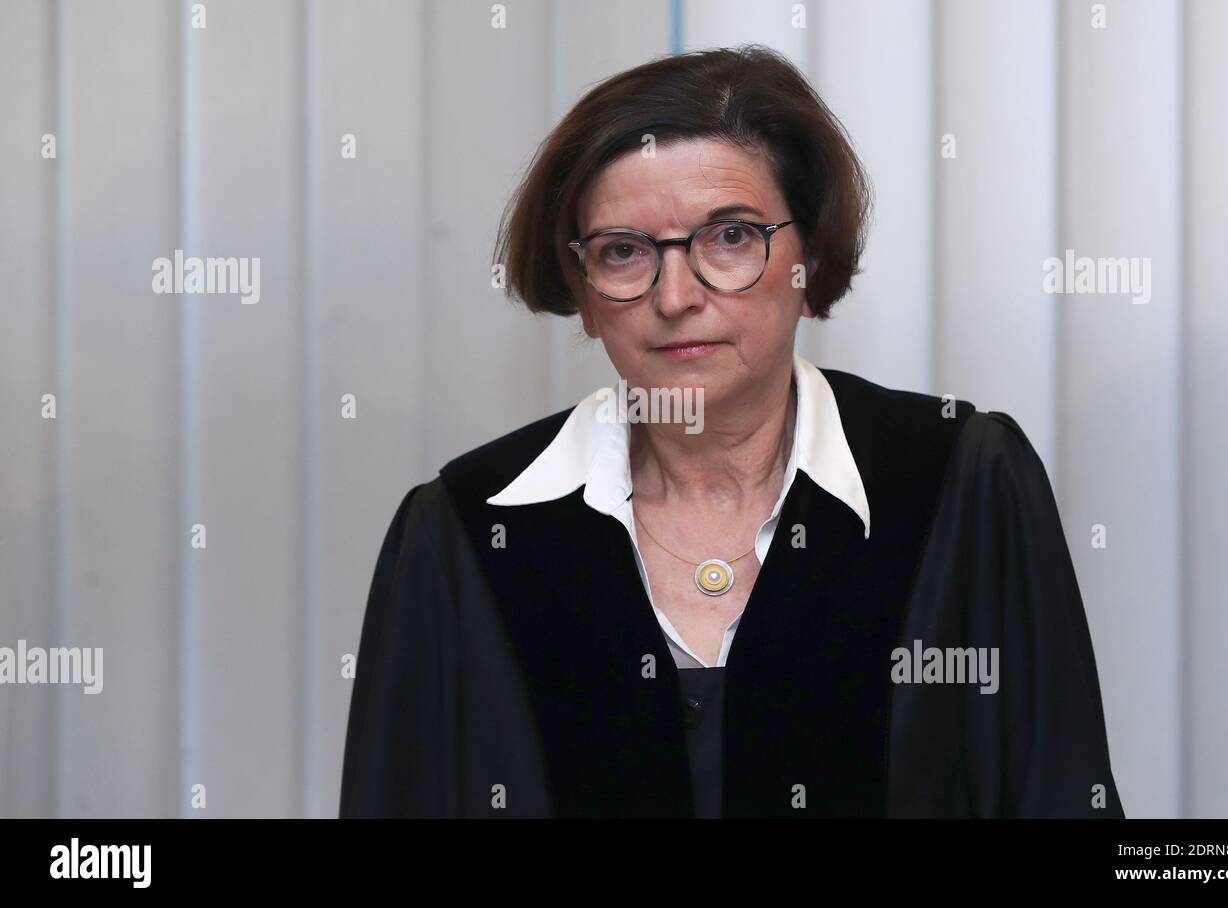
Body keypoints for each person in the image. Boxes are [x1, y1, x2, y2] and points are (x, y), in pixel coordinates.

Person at [339, 44, 1124, 819]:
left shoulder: (960, 481)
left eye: (730, 237)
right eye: (623, 251)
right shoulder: (465, 532)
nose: (676, 294)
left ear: (808, 257)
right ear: (582, 290)